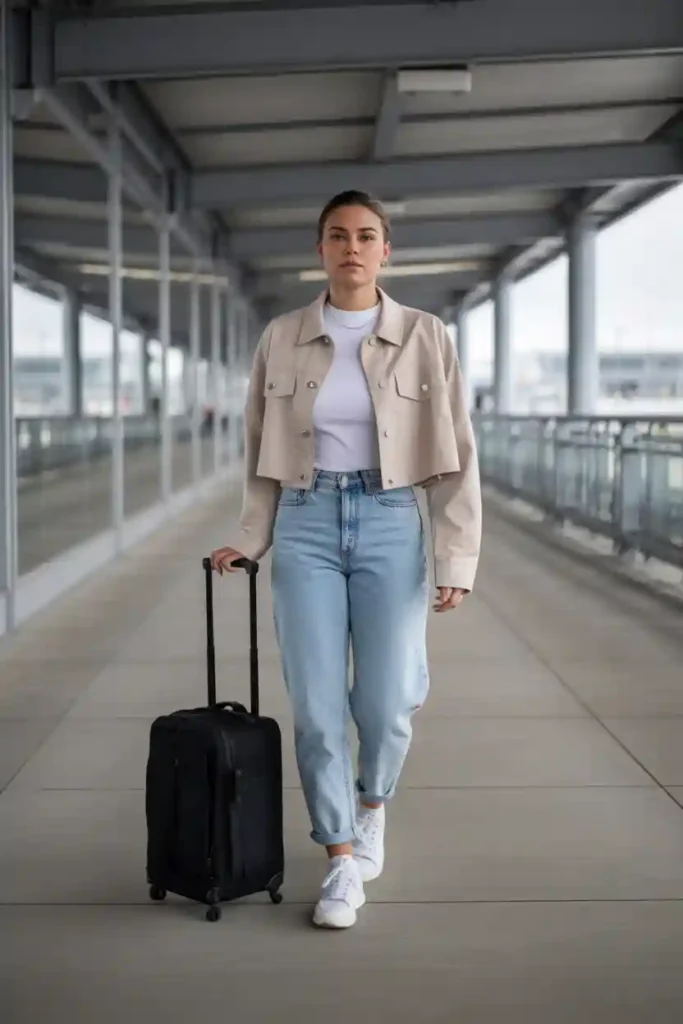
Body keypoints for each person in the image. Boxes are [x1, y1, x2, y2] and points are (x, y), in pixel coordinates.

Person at [210, 190, 481, 929]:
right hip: (305, 522)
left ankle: (370, 809)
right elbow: (259, 450)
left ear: (385, 250)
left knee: (388, 702)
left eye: (366, 236)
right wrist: (252, 534)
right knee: (319, 707)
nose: (351, 247)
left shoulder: (426, 336)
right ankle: (337, 861)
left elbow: (458, 454)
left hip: (393, 520)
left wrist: (456, 556)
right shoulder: (284, 335)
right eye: (337, 236)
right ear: (320, 249)